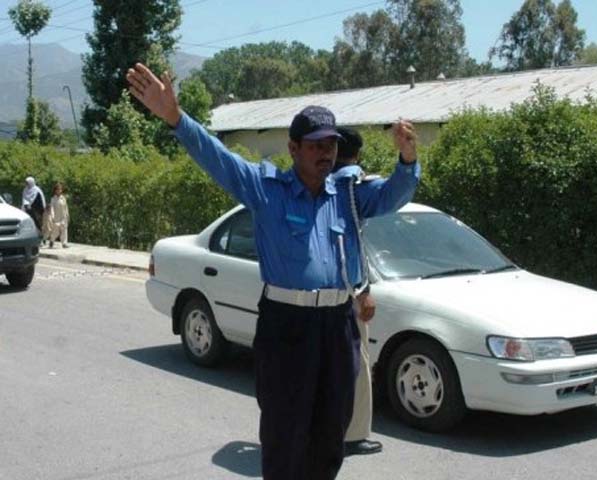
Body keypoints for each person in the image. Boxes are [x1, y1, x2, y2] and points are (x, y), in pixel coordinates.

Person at [126, 63, 420, 480]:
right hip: (287, 325)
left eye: (330, 145)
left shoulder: (348, 195)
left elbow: (394, 195)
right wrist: (176, 118)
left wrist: (407, 159)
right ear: (294, 148)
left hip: (337, 325)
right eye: (316, 145)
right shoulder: (267, 190)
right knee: (284, 432)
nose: (326, 153)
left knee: (330, 430)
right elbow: (219, 159)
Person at [332, 127, 382, 457]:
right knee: (357, 366)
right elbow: (357, 246)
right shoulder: (353, 185)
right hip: (348, 290)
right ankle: (353, 435)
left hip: (313, 293)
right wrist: (366, 288)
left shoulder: (317, 185)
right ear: (358, 155)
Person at [49, 182, 70, 248]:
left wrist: (67, 215)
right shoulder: (53, 199)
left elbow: (66, 207)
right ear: (55, 190)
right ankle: (52, 240)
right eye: (57, 189)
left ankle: (64, 243)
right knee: (56, 231)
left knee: (64, 229)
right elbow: (51, 207)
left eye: (60, 189)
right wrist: (52, 216)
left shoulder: (63, 198)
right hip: (56, 217)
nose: (59, 191)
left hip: (63, 216)